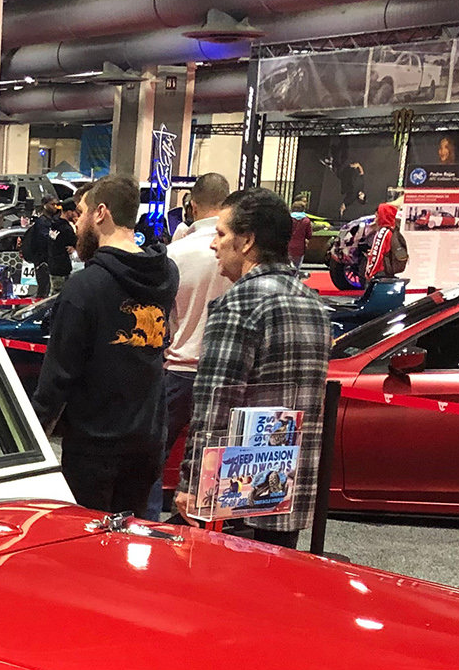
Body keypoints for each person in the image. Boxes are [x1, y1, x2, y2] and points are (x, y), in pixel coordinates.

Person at [184, 187, 331, 547]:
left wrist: (191, 487)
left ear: (247, 241)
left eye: (221, 234)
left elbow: (214, 406)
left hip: (234, 499)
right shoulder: (313, 302)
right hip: (287, 490)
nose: (213, 245)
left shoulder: (237, 305)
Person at [30, 175, 178, 516]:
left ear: (100, 213)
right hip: (148, 441)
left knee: (89, 549)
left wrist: (31, 436)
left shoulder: (85, 286)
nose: (77, 222)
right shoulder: (166, 273)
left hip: (95, 447)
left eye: (80, 213)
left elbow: (58, 376)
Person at [159, 172, 233, 515]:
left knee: (153, 457)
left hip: (179, 368)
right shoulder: (241, 254)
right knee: (219, 461)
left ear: (192, 204)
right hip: (226, 373)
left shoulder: (175, 253)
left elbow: (164, 317)